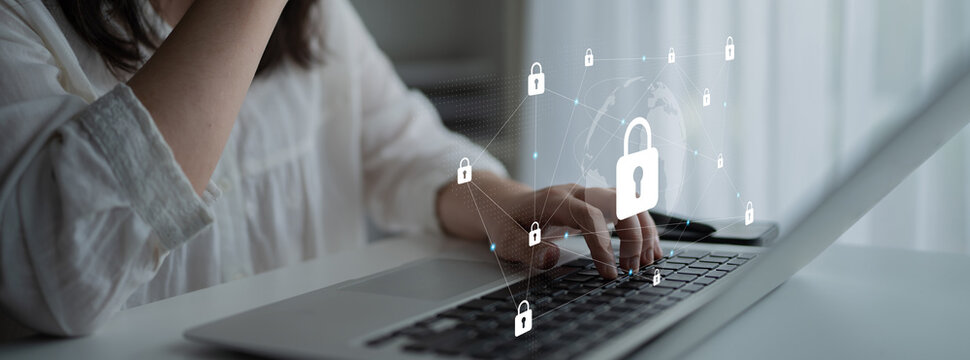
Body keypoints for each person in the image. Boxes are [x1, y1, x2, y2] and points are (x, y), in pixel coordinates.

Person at [0, 0, 662, 337]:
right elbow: (61, 268)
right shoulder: (21, 22)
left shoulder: (316, 20)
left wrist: (501, 198)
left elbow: (407, 149)